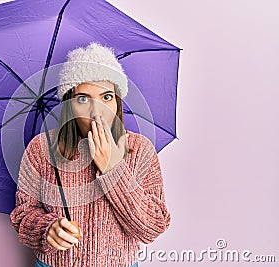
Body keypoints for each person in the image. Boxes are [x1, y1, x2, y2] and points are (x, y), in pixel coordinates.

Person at [10, 42, 171, 267]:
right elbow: (23, 214)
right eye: (83, 99)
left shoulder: (141, 149)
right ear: (68, 104)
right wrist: (47, 229)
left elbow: (152, 228)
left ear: (117, 101)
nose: (97, 112)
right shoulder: (41, 148)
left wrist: (113, 169)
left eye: (106, 97)